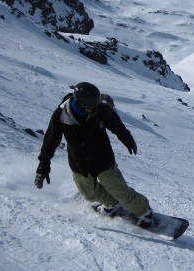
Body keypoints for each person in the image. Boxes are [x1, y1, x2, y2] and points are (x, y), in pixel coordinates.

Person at [34, 82, 154, 228]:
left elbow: (117, 126)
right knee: (89, 194)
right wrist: (43, 166)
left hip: (102, 159)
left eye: (95, 105)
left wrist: (127, 139)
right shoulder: (61, 116)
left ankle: (144, 211)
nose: (94, 109)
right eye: (90, 106)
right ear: (78, 103)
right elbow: (50, 142)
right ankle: (111, 204)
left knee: (119, 191)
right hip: (79, 163)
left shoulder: (101, 110)